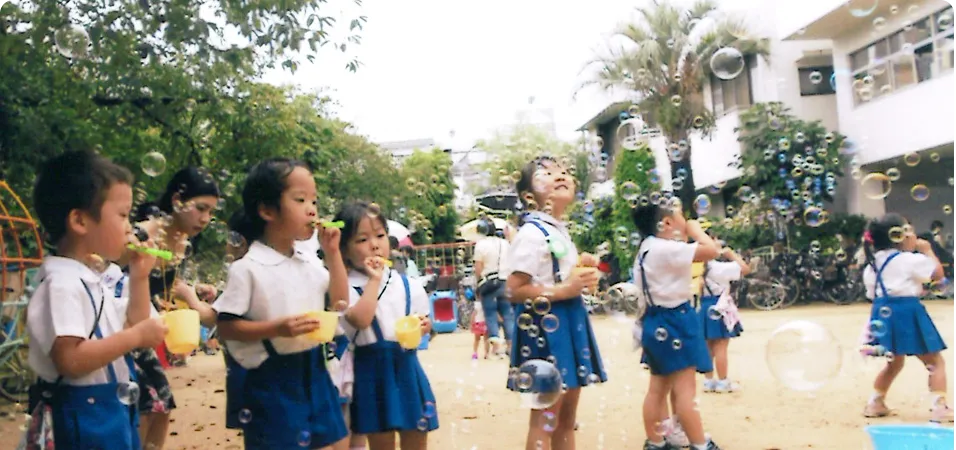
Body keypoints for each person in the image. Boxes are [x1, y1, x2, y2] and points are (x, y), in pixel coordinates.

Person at [26, 150, 167, 449]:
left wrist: (140, 278)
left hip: (107, 412)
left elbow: (134, 324)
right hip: (81, 418)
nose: (131, 227)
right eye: (123, 215)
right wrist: (135, 335)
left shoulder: (89, 278)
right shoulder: (61, 283)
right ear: (79, 220)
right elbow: (72, 359)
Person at [213, 157, 352, 449]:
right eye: (300, 199)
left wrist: (333, 254)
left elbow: (339, 301)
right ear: (266, 210)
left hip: (315, 368)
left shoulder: (309, 262)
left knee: (335, 443)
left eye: (314, 200)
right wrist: (277, 328)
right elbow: (225, 327)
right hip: (272, 378)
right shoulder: (248, 267)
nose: (312, 209)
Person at [502, 156, 606, 450]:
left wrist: (579, 272)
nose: (559, 175)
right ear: (528, 196)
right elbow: (513, 290)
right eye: (546, 173)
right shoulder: (532, 234)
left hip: (566, 320)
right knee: (546, 416)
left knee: (566, 417)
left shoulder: (556, 229)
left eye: (563, 171)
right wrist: (564, 289)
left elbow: (553, 276)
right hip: (546, 328)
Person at [121, 166, 220, 449]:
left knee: (161, 401)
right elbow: (115, 261)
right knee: (147, 402)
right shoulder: (149, 229)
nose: (205, 218)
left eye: (211, 212)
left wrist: (190, 291)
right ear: (178, 199)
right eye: (201, 208)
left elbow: (163, 285)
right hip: (122, 324)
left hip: (145, 325)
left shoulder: (183, 241)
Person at [334, 201, 438, 450]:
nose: (374, 244)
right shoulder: (346, 286)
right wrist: (374, 279)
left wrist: (423, 326)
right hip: (371, 370)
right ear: (345, 250)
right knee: (382, 443)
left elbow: (424, 323)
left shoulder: (408, 284)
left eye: (380, 235)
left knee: (416, 437)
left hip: (406, 365)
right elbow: (360, 319)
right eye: (362, 239)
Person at [632, 198, 723, 450]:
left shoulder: (648, 248)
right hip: (676, 320)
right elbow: (711, 251)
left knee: (658, 388)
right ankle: (699, 444)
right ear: (667, 222)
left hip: (655, 319)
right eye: (681, 216)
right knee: (685, 391)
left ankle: (656, 442)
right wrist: (696, 231)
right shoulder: (665, 248)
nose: (686, 221)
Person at [860, 214, 953, 423]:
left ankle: (875, 402)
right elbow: (937, 274)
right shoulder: (910, 260)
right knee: (935, 361)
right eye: (907, 230)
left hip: (882, 312)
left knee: (894, 362)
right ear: (898, 236)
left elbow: (872, 293)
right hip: (907, 311)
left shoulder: (872, 263)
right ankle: (940, 407)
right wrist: (928, 250)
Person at [698, 241, 750, 394]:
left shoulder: (698, 267)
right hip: (719, 306)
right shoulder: (720, 268)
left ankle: (708, 381)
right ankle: (722, 382)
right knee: (721, 346)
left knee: (708, 346)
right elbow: (745, 269)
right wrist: (731, 254)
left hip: (704, 307)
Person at [473, 219, 514, 357]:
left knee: (490, 314)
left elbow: (478, 268)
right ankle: (510, 345)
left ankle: (496, 347)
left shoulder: (480, 245)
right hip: (505, 281)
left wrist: (479, 282)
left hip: (488, 282)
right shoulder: (505, 244)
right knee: (507, 314)